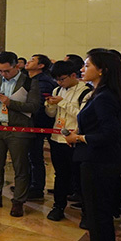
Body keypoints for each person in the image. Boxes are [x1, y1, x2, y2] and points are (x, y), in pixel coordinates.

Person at [64, 49, 121, 241]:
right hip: (97, 160)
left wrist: (79, 138)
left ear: (101, 70)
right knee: (97, 215)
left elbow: (110, 134)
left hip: (99, 163)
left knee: (98, 216)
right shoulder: (101, 93)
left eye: (87, 65)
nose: (82, 68)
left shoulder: (105, 97)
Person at [0, 51, 42, 217]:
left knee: (20, 167)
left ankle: (18, 201)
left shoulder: (29, 82)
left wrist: (10, 103)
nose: (3, 74)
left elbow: (34, 106)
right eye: (0, 70)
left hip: (18, 129)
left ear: (17, 66)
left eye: (7, 71)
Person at [44, 60, 91, 222]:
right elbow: (52, 115)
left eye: (62, 79)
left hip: (75, 140)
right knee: (60, 175)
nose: (59, 83)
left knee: (80, 177)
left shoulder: (86, 92)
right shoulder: (57, 89)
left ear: (73, 75)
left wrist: (62, 103)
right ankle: (58, 207)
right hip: (57, 138)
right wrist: (50, 105)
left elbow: (82, 116)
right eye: (57, 80)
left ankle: (86, 212)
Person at [24, 54, 57, 201]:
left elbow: (40, 105)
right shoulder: (30, 79)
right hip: (31, 122)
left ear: (41, 66)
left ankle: (36, 187)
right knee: (30, 156)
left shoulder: (43, 82)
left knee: (35, 156)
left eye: (33, 60)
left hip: (39, 124)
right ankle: (29, 184)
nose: (28, 62)